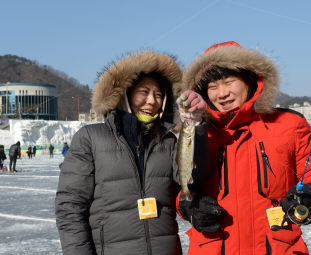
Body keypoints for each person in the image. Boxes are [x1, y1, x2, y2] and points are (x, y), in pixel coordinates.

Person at [177, 41, 311, 254]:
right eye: (212, 87)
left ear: (250, 79)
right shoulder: (198, 131)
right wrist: (189, 208)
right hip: (215, 246)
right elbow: (181, 182)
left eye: (229, 82)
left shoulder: (289, 123)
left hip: (276, 247)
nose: (221, 94)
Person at [55, 51, 209, 255]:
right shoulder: (90, 138)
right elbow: (70, 208)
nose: (151, 101)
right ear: (125, 94)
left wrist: (195, 125)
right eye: (143, 92)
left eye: (158, 94)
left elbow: (192, 179)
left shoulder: (169, 141)